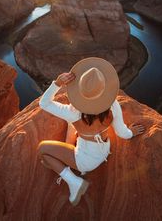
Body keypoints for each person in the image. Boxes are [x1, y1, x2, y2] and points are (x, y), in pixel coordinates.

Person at [37, 57, 145, 206]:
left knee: (42, 149)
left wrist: (57, 83)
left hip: (85, 161)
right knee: (70, 126)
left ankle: (75, 182)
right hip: (104, 151)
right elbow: (122, 134)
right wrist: (131, 132)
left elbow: (44, 103)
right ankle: (67, 160)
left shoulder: (73, 112)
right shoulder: (113, 105)